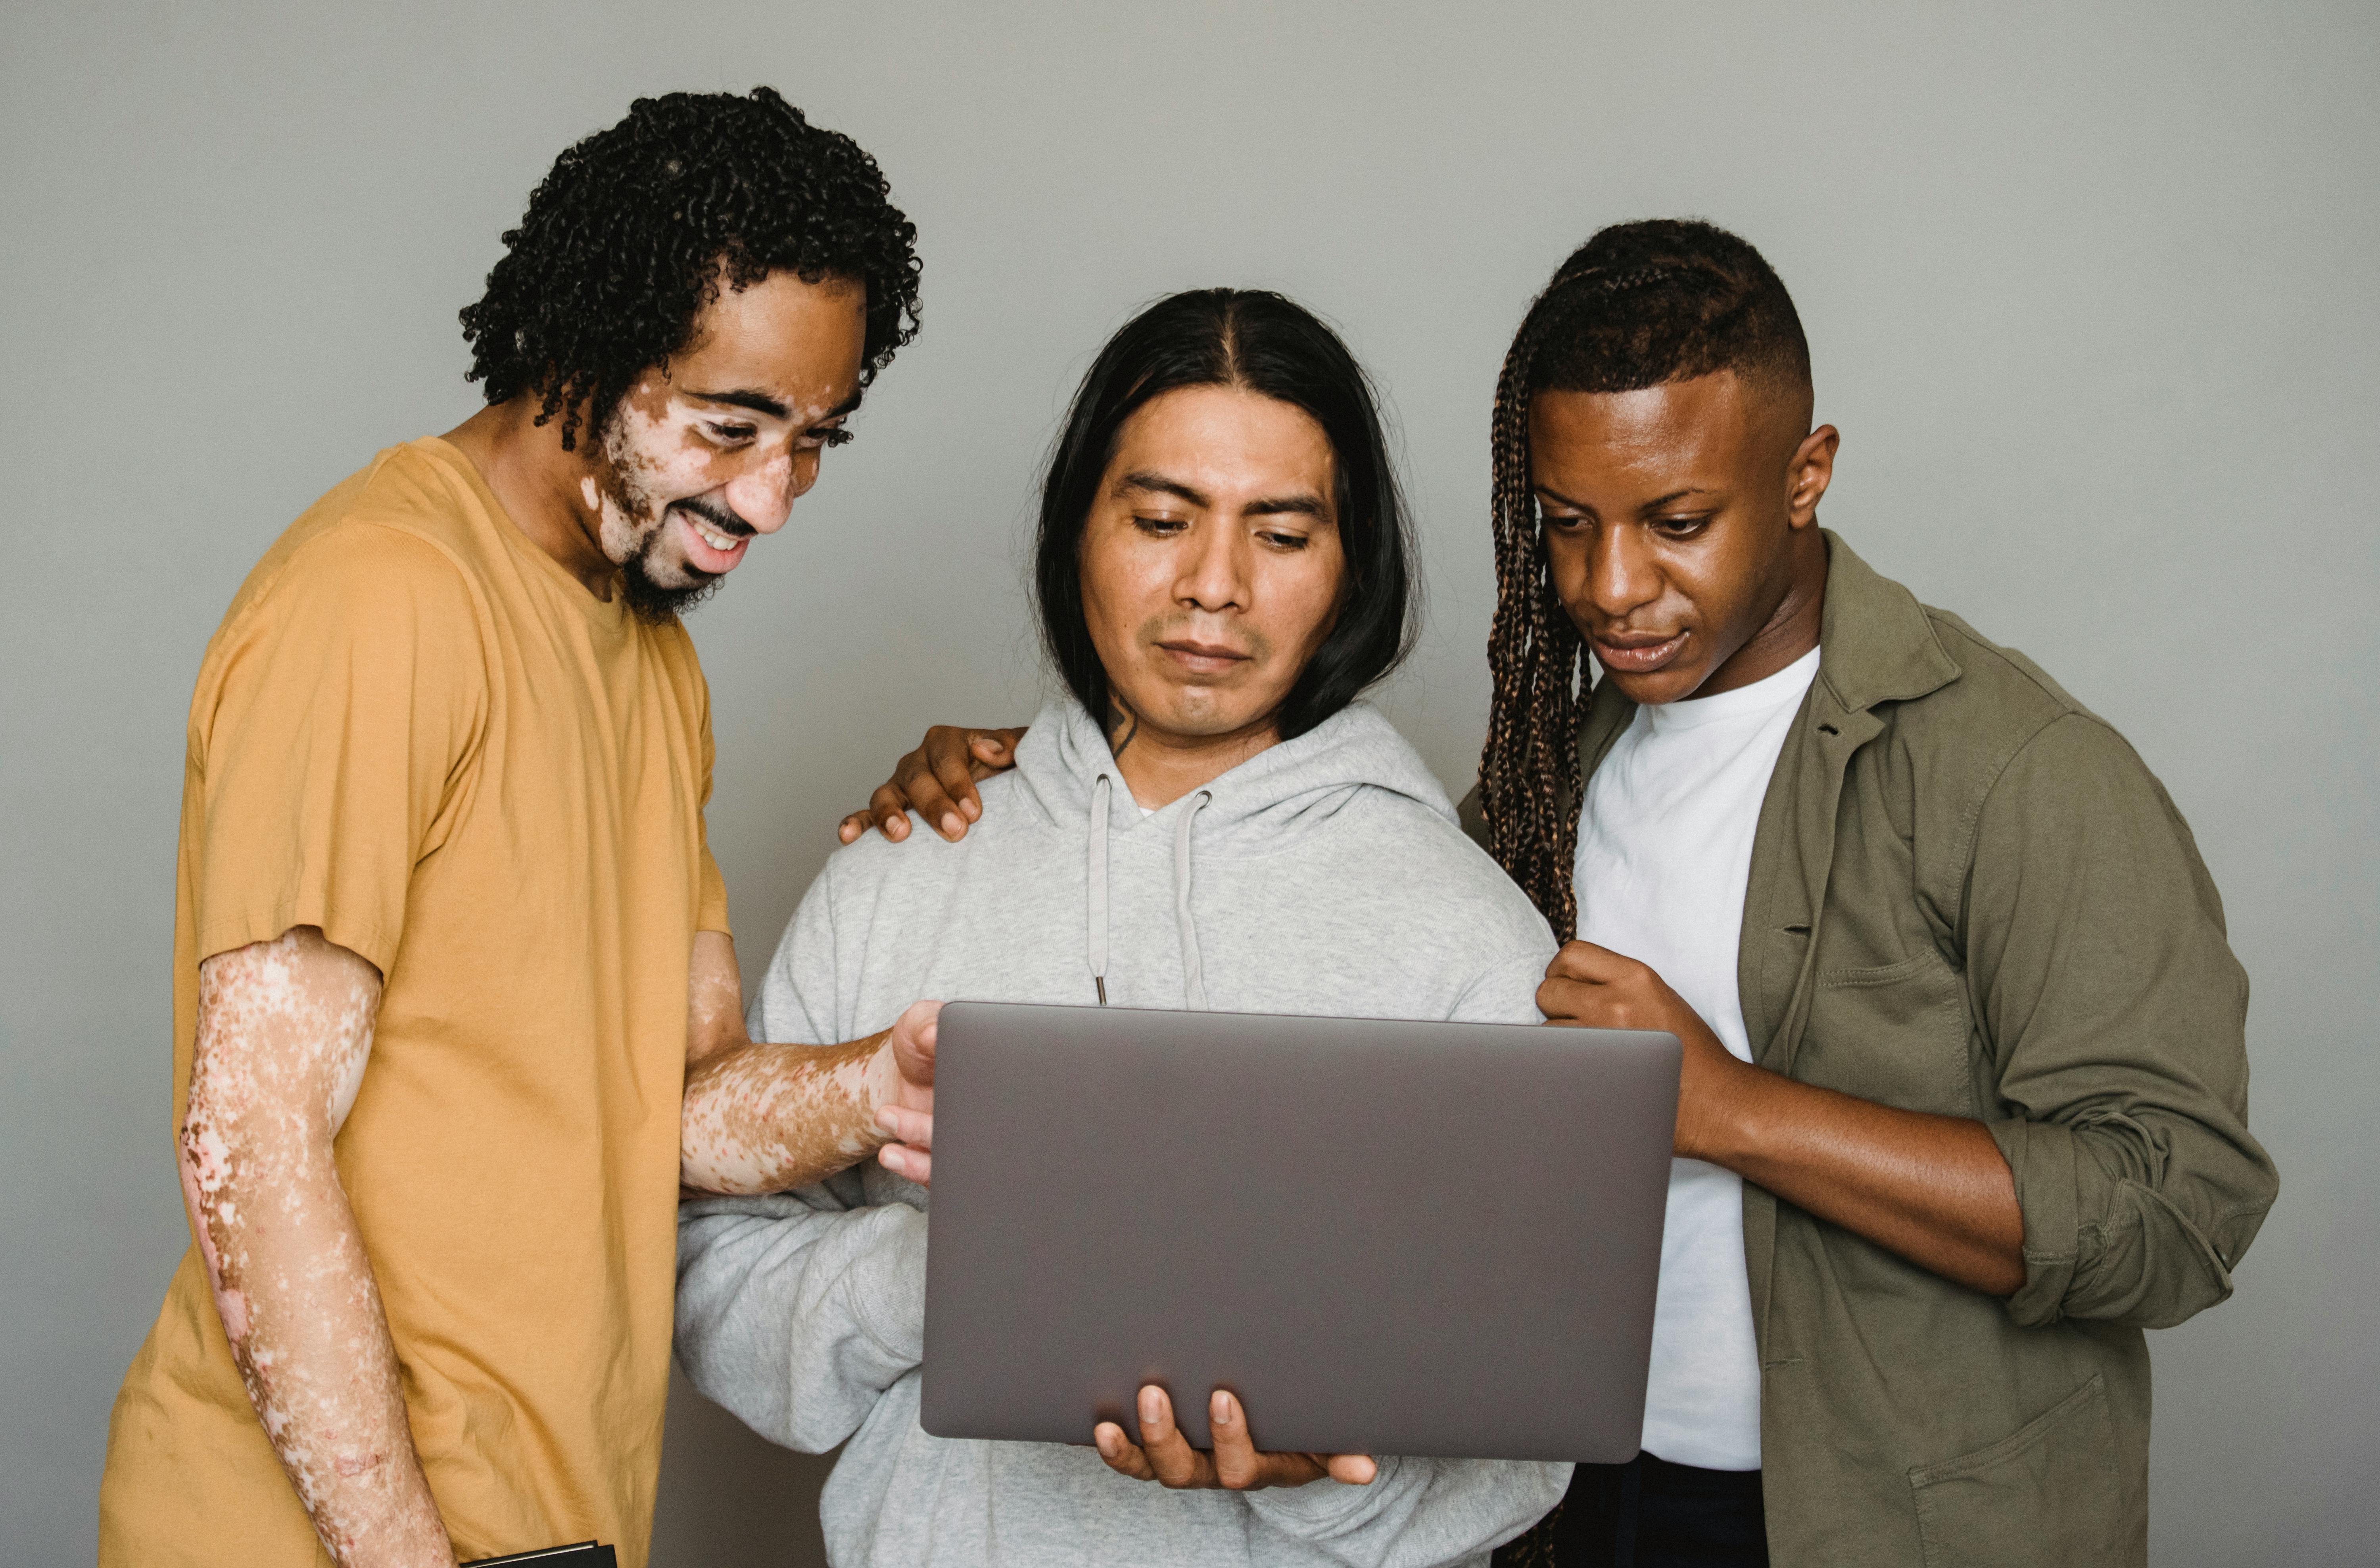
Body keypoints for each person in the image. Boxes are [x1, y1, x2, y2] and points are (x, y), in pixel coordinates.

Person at [846, 221, 2278, 1568]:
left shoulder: (2018, 771)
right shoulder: (1546, 780)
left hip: (1877, 1518)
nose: (1611, 585)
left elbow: (2177, 1206)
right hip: (1573, 1507)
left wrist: (1730, 1111)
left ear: (1808, 473)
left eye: (1678, 519)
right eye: (1567, 523)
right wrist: (1037, 780)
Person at [100, 89, 939, 1568]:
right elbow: (252, 1137)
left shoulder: (651, 652)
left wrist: (880, 1087)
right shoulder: (385, 601)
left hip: (549, 1527)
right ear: (581, 347)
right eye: (730, 426)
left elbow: (661, 1111)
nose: (773, 499)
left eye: (816, 438)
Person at [674, 288, 1571, 1568]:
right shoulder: (905, 869)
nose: (1214, 587)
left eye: (1282, 534)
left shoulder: (1469, 933)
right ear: (1075, 532)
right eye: (1159, 521)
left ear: (1352, 562)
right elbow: (710, 1265)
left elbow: (1531, 1424)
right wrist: (935, 1275)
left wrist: (1326, 1472)